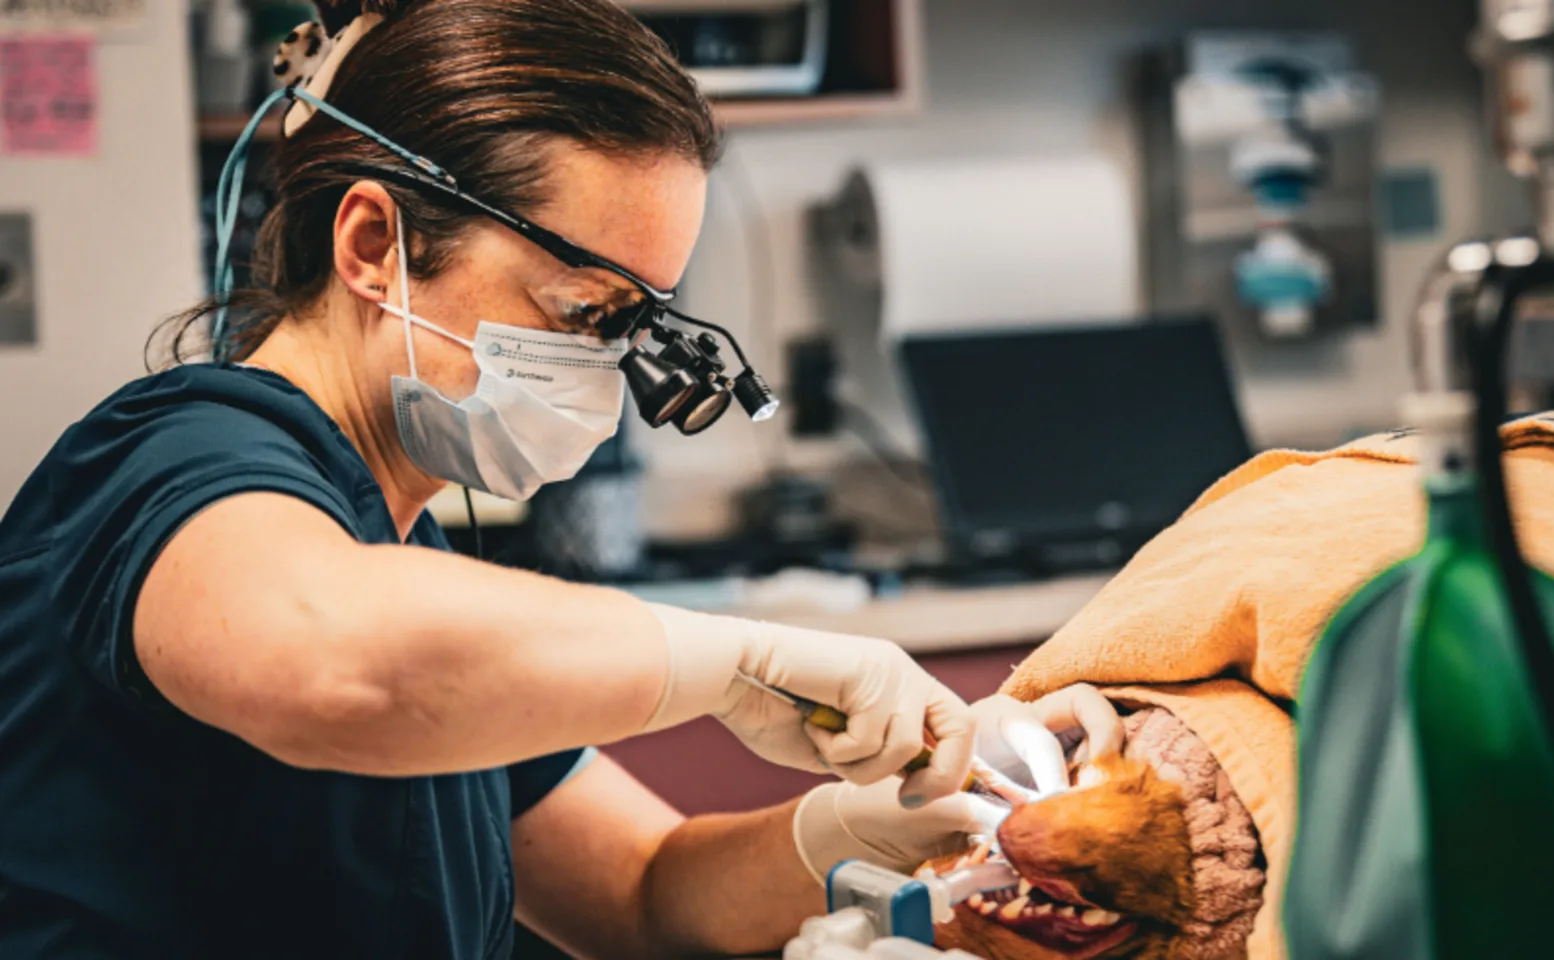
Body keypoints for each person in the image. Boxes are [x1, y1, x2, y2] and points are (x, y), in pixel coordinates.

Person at [0, 2, 1123, 957]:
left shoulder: (398, 554)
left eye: (633, 326)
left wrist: (867, 825)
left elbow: (641, 892)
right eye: (586, 314)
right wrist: (733, 665)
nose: (604, 369)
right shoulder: (176, 459)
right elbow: (335, 664)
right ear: (372, 246)